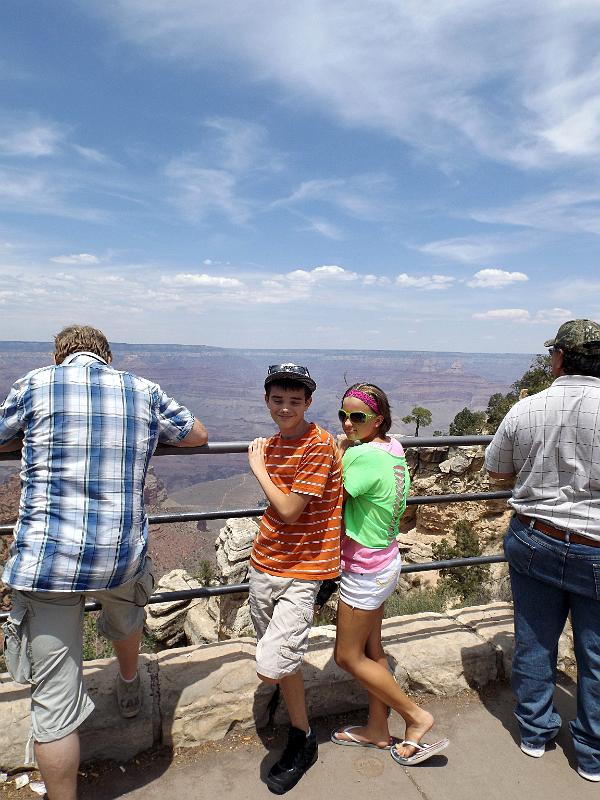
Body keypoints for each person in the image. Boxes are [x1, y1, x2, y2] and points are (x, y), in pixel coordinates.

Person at [0, 325, 208, 800]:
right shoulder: (142, 388)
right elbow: (198, 435)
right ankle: (130, 683)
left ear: (59, 356)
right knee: (126, 610)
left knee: (52, 704)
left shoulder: (34, 384)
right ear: (107, 356)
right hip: (117, 555)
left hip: (47, 561)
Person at [485, 319, 600, 782]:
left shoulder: (526, 408)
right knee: (596, 655)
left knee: (534, 640)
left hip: (537, 539)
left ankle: (535, 733)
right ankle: (592, 756)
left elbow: (496, 470)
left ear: (558, 359)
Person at [332, 383, 449, 766]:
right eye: (343, 416)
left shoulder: (363, 458)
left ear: (377, 419)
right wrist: (352, 445)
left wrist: (339, 451)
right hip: (385, 561)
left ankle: (415, 717)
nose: (349, 423)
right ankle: (377, 729)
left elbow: (328, 497)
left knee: (347, 656)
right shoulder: (392, 447)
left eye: (358, 417)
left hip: (363, 570)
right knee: (372, 650)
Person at [247, 363, 343, 795]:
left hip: (305, 570)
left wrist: (259, 468)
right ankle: (302, 737)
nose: (286, 407)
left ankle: (299, 731)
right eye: (277, 399)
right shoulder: (273, 443)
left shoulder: (318, 445)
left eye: (295, 401)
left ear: (308, 402)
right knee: (283, 664)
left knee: (272, 666)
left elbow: (288, 510)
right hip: (264, 563)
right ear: (267, 400)